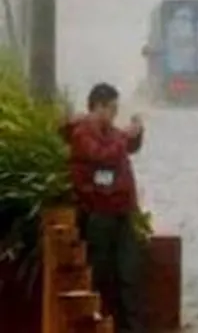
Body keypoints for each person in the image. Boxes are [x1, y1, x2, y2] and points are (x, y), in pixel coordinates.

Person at [66, 83, 146, 333]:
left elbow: (128, 146)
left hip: (121, 210)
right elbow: (103, 156)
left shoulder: (109, 131)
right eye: (111, 108)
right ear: (97, 107)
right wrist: (125, 138)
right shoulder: (82, 134)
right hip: (99, 213)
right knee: (103, 276)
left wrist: (136, 132)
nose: (114, 114)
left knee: (129, 275)